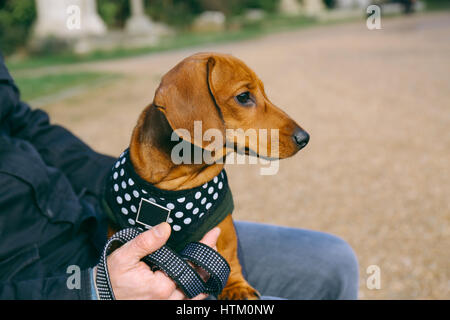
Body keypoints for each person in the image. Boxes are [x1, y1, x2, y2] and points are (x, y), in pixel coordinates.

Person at [0, 53, 359, 300]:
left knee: (333, 260)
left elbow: (20, 122)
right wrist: (92, 291)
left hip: (89, 218)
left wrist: (134, 181)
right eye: (245, 98)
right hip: (45, 278)